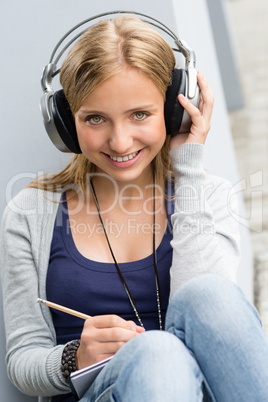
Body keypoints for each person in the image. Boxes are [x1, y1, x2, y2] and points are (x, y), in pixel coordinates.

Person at [1, 13, 268, 402]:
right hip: (102, 392)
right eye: (95, 119)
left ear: (174, 110)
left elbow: (211, 319)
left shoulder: (208, 195)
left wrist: (188, 169)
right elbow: (23, 360)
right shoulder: (30, 213)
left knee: (209, 296)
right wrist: (74, 357)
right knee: (157, 352)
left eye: (139, 114)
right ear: (65, 124)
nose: (120, 142)